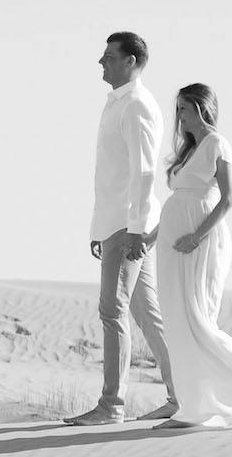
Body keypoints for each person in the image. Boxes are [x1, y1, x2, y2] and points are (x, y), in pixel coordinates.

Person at [64, 31, 177, 426]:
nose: (102, 62)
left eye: (110, 56)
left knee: (112, 310)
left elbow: (144, 172)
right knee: (147, 314)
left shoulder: (137, 106)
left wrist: (135, 229)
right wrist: (100, 226)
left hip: (129, 226)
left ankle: (112, 405)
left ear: (130, 61)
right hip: (116, 224)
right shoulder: (117, 104)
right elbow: (110, 173)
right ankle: (182, 394)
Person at [154, 83, 232, 429]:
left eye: (184, 109)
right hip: (172, 243)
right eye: (177, 109)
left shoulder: (217, 145)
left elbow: (227, 200)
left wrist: (196, 236)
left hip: (201, 240)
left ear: (202, 109)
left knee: (199, 321)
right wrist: (152, 236)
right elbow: (176, 200)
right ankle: (194, 409)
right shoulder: (186, 151)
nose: (178, 116)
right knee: (177, 323)